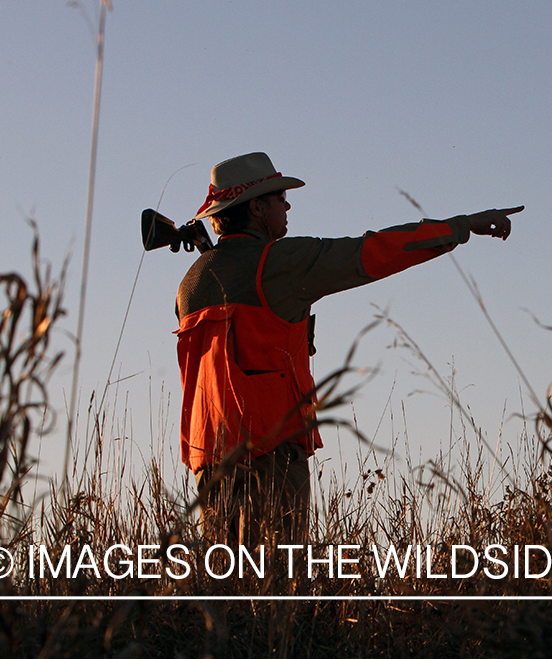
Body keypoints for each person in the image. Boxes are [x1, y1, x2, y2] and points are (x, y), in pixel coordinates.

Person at [175, 151, 522, 546]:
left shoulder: (192, 280)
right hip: (270, 453)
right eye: (277, 198)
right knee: (276, 583)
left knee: (226, 583)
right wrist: (462, 226)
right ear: (256, 207)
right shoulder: (282, 262)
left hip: (210, 457)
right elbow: (373, 252)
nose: (287, 205)